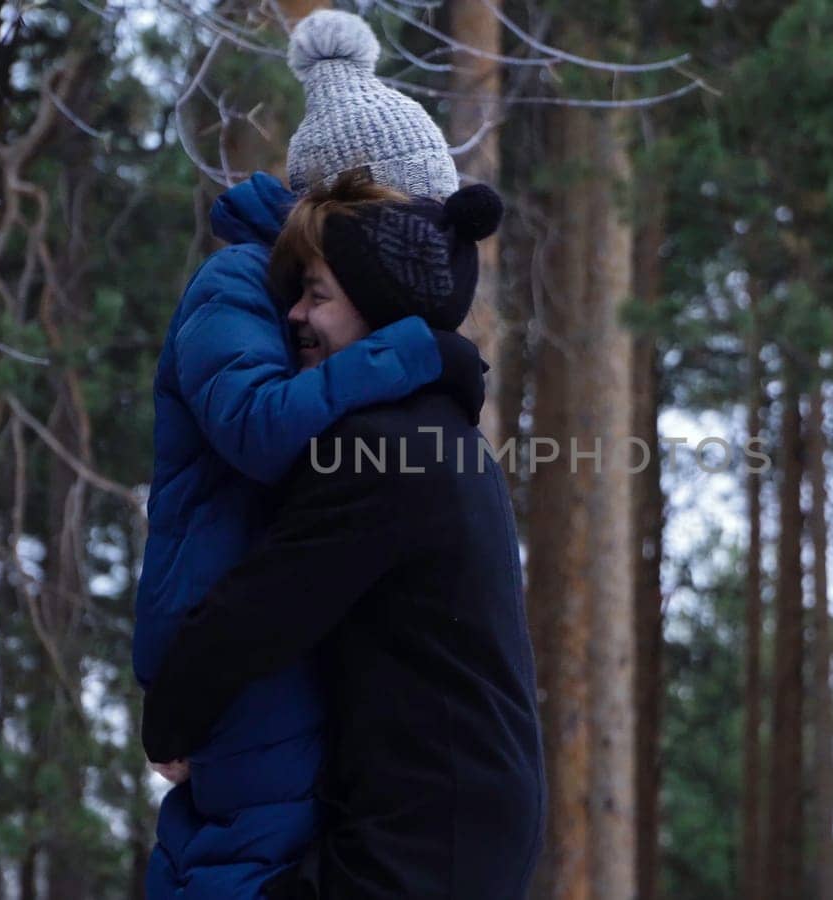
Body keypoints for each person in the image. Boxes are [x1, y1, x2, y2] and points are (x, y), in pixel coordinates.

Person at [135, 11, 487, 896]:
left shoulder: (294, 300)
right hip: (220, 620)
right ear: (355, 211)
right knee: (243, 852)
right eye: (406, 225)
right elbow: (257, 428)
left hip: (267, 627)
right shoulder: (236, 286)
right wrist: (413, 353)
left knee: (251, 839)